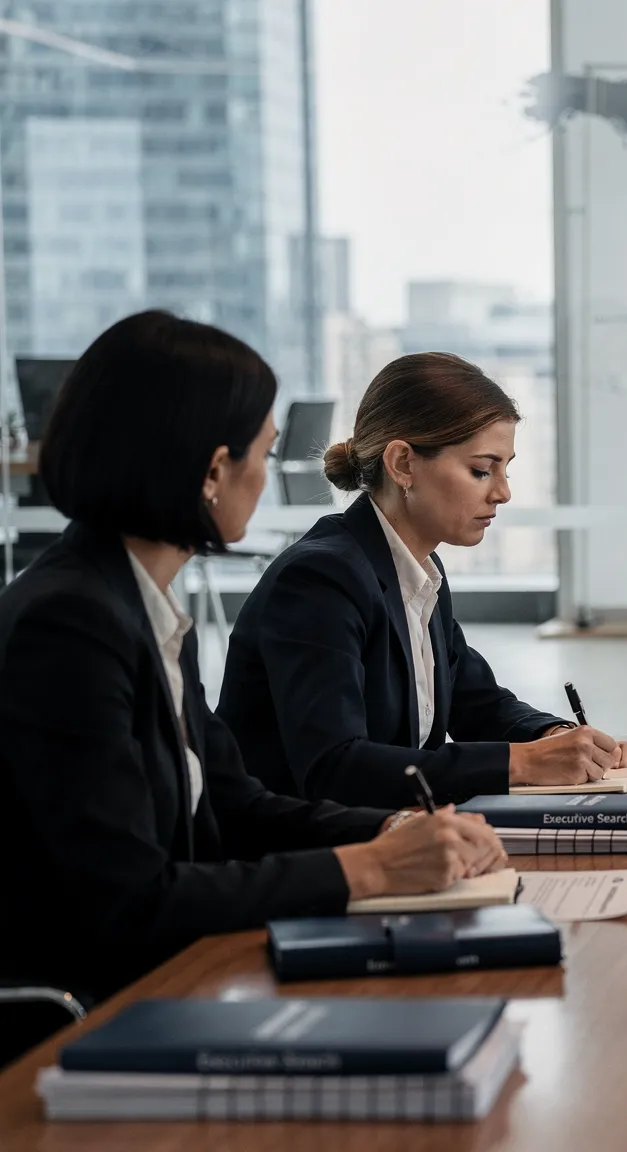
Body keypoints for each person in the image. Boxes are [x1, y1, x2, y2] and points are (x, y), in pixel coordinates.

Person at [0, 312, 505, 1008]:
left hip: (178, 979)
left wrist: (391, 830)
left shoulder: (139, 606)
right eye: (263, 455)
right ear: (213, 470)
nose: (267, 479)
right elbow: (129, 899)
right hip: (97, 1014)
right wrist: (365, 868)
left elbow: (234, 804)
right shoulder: (72, 623)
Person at [217, 353, 627, 808]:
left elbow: (476, 702)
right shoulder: (320, 579)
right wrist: (525, 762)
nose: (503, 492)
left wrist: (558, 737)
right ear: (403, 464)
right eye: (481, 469)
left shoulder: (418, 570)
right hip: (306, 858)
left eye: (505, 468)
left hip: (395, 838)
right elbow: (335, 768)